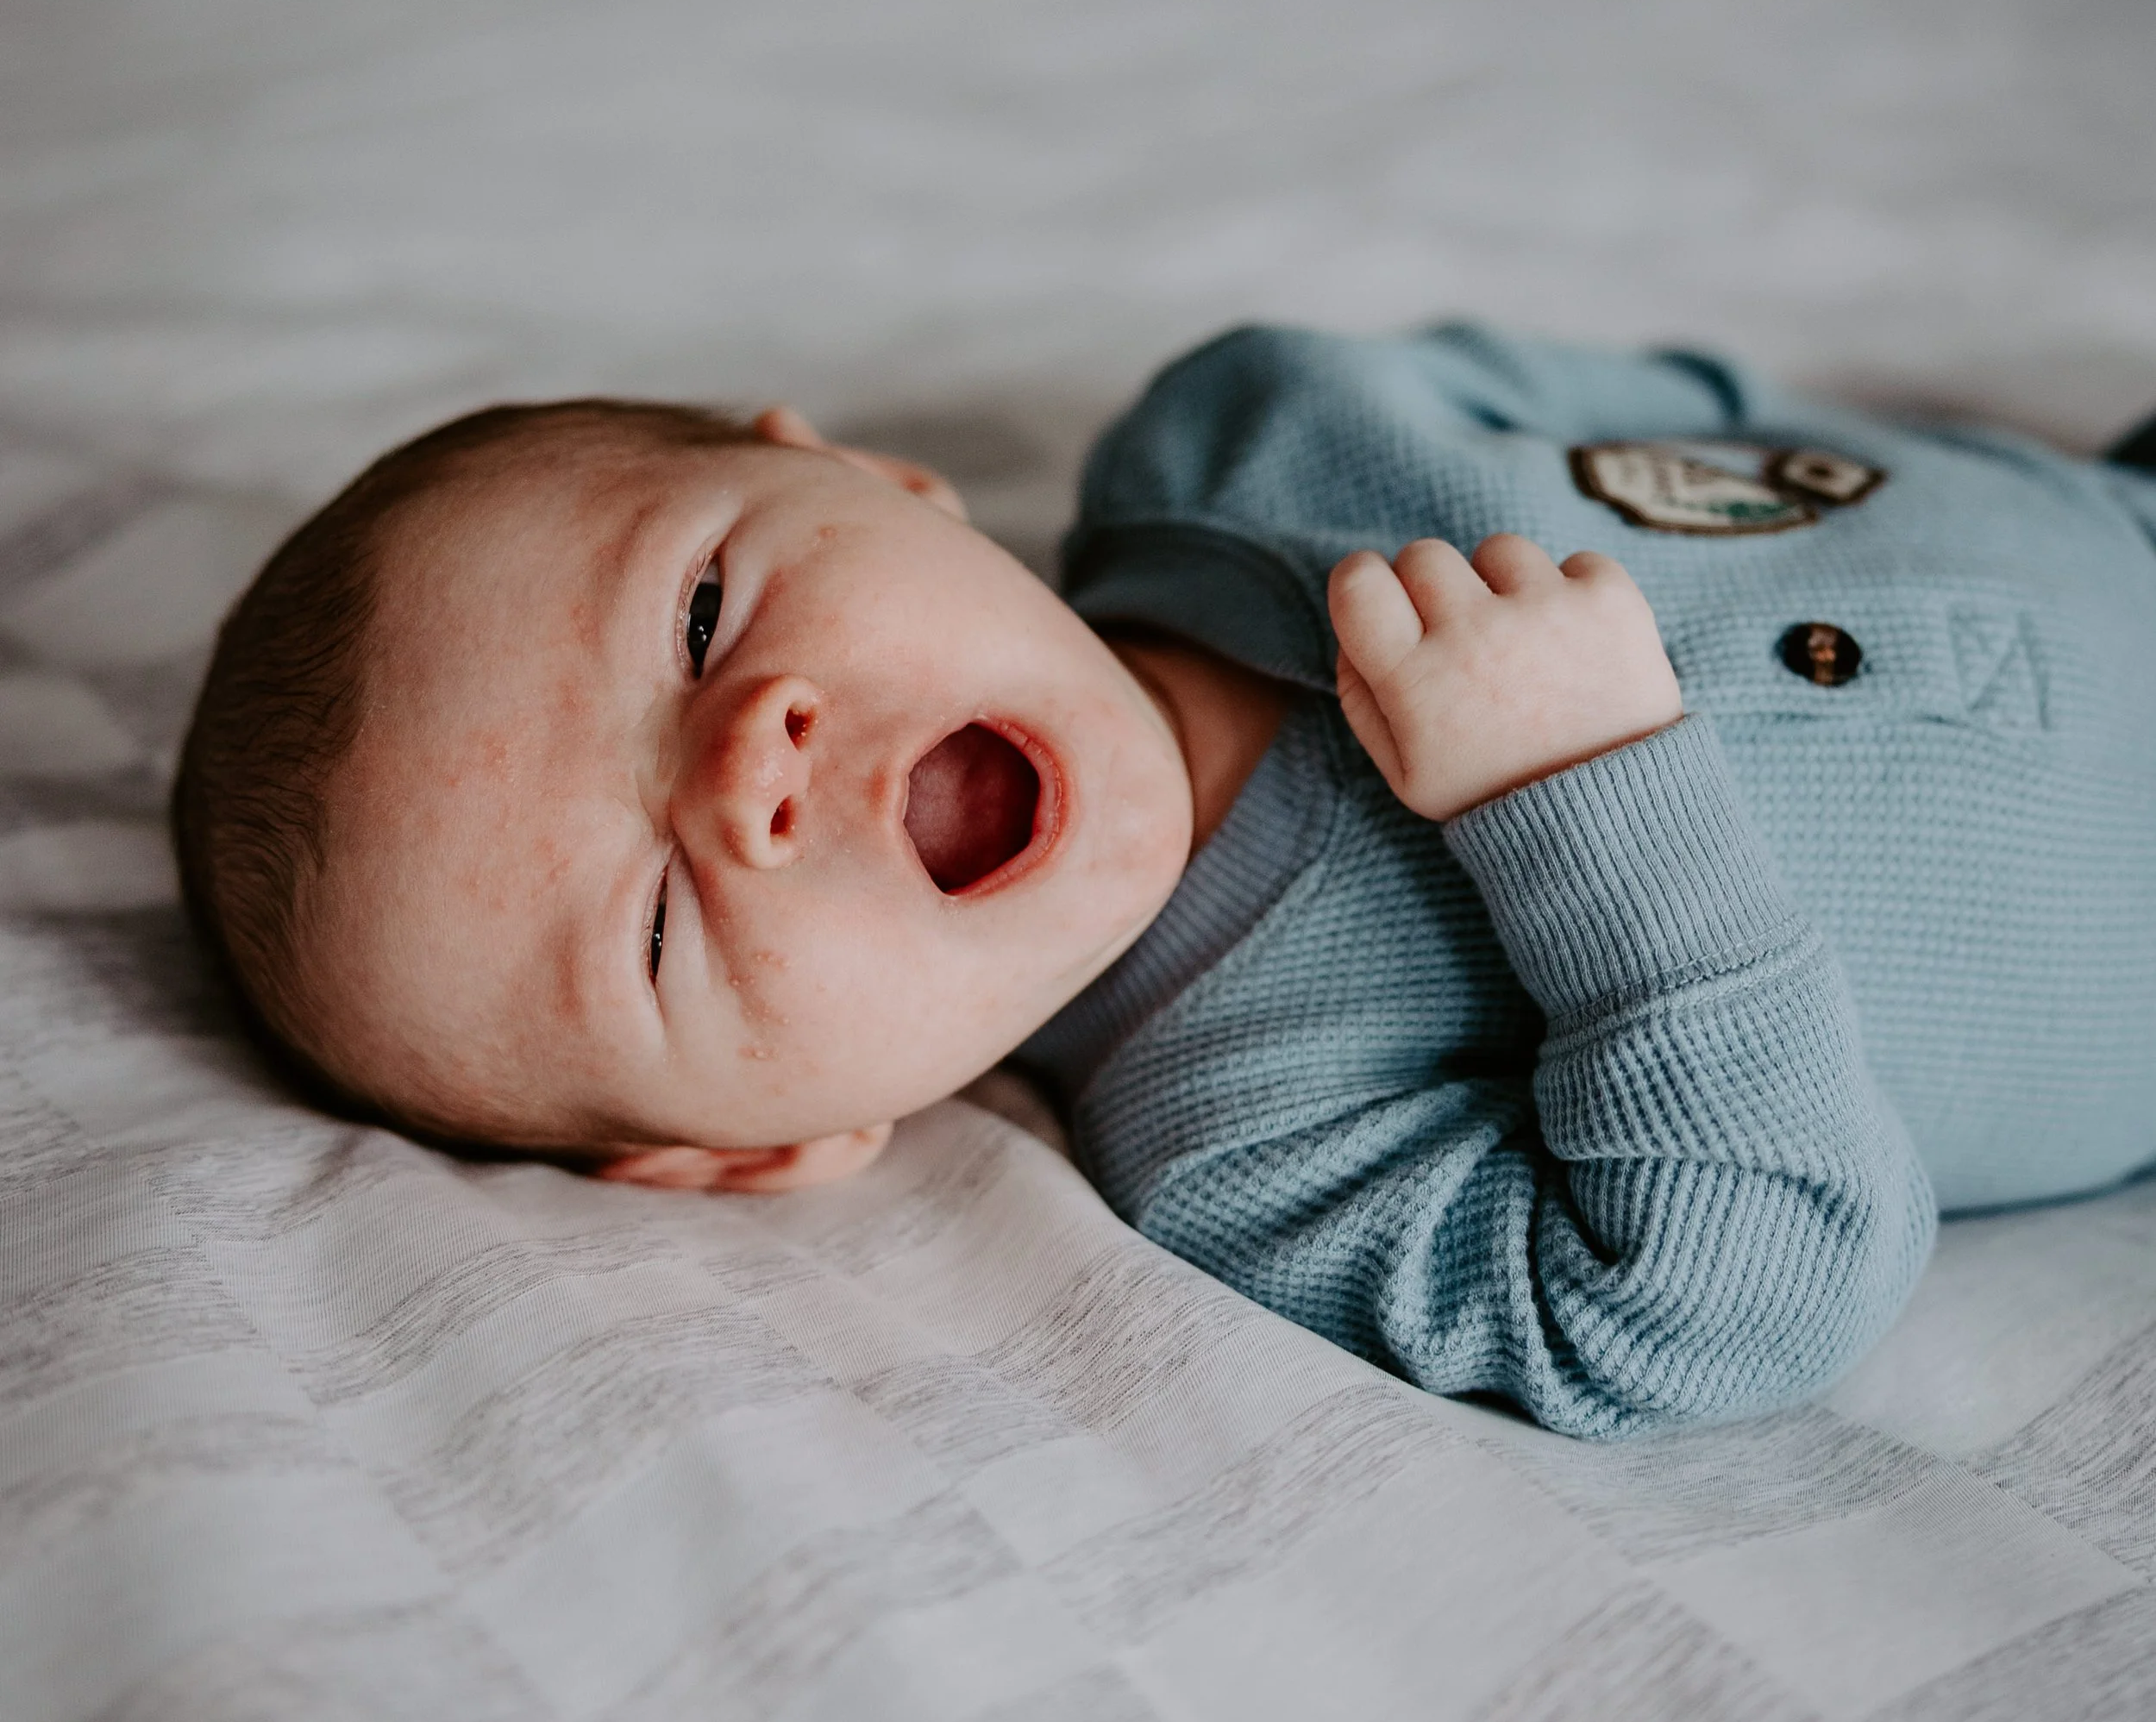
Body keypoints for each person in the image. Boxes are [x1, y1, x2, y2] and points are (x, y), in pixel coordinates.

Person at [172, 324, 2156, 1436]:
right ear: (759, 1147)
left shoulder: (1256, 437)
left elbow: (1680, 413)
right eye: (662, 923)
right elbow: (1730, 1301)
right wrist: (1581, 794)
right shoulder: (1253, 1144)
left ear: (874, 479)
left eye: (699, 615)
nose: (752, 770)